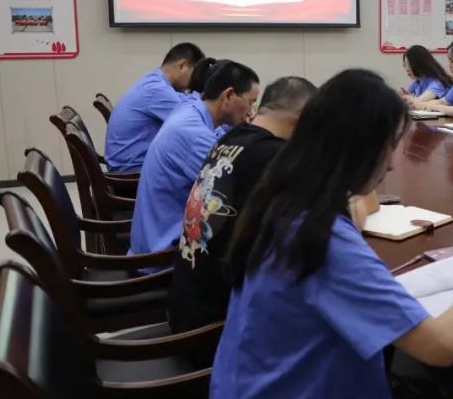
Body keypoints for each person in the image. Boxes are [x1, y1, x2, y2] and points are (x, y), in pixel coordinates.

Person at [209, 69, 453, 399]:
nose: (391, 164)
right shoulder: (324, 240)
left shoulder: (284, 197)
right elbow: (440, 347)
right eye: (388, 148)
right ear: (359, 150)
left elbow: (354, 212)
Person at [170, 76, 317, 334]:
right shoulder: (275, 156)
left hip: (186, 304)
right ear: (303, 120)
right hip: (216, 327)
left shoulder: (230, 138)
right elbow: (330, 220)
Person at [129, 60, 260, 256]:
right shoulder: (192, 133)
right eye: (250, 102)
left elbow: (220, 139)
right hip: (164, 254)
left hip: (155, 236)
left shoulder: (191, 107)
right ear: (228, 95)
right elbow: (240, 187)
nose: (251, 112)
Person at [105, 42, 206, 173]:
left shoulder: (154, 80)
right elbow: (195, 121)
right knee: (205, 168)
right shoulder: (156, 90)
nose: (194, 82)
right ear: (181, 66)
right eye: (194, 75)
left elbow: (184, 103)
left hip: (126, 162)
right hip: (131, 169)